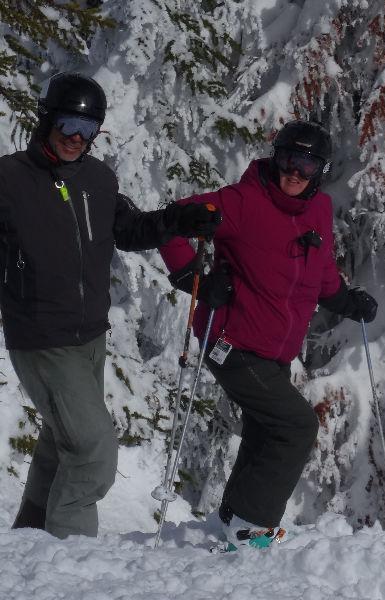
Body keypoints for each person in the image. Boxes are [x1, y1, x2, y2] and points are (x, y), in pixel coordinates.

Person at [0, 72, 220, 538]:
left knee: (64, 442)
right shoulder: (10, 179)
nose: (76, 139)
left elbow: (130, 229)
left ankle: (32, 539)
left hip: (89, 337)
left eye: (88, 130)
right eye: (67, 126)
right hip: (41, 336)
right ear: (46, 120)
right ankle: (70, 556)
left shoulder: (97, 179)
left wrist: (178, 220)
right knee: (91, 451)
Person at [159, 120, 378, 549]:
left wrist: (345, 301)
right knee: (296, 426)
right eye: (288, 158)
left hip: (276, 349)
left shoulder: (319, 210)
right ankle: (251, 526)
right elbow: (171, 222)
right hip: (233, 342)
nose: (296, 171)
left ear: (321, 169)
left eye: (308, 162)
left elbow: (320, 268)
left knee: (266, 428)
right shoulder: (240, 202)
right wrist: (194, 277)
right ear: (275, 156)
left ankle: (231, 520)